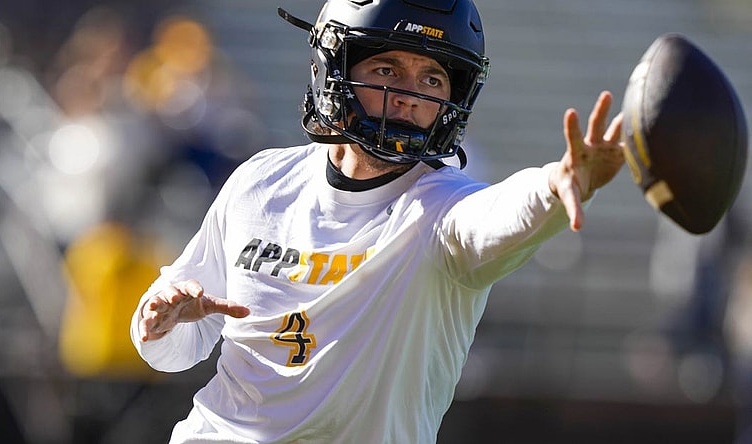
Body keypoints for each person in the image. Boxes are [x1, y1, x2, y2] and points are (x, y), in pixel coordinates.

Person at [130, 0, 625, 442]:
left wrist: (557, 184)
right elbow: (174, 347)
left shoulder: (442, 212)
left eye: (432, 79)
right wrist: (158, 320)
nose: (411, 95)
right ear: (334, 68)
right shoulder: (260, 182)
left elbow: (496, 215)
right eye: (388, 69)